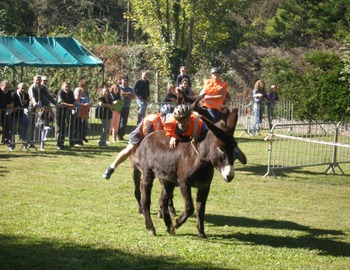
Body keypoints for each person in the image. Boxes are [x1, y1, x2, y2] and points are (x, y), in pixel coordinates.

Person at [103, 104, 171, 179]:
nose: (166, 119)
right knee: (130, 149)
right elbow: (148, 138)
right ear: (160, 115)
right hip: (141, 133)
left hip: (154, 137)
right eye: (164, 116)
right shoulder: (151, 120)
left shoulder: (170, 123)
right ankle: (112, 167)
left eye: (168, 117)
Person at [28, 75, 56, 149]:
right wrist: (35, 104)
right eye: (37, 80)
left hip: (42, 108)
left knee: (41, 124)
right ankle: (30, 141)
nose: (38, 81)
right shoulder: (32, 87)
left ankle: (39, 141)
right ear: (33, 80)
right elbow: (32, 97)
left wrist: (56, 103)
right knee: (31, 124)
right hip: (33, 107)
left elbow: (48, 96)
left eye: (39, 80)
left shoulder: (43, 88)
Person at [55, 82, 76, 149]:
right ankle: (58, 144)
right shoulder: (60, 93)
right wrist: (70, 105)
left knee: (63, 128)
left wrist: (74, 104)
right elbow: (61, 102)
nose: (67, 88)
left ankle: (62, 143)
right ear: (62, 86)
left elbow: (73, 101)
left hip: (66, 112)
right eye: (66, 86)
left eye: (68, 86)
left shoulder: (70, 93)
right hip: (59, 112)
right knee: (59, 128)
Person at [117, 75, 135, 141]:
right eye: (124, 81)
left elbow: (133, 97)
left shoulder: (130, 88)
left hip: (126, 106)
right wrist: (128, 94)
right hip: (119, 106)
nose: (125, 82)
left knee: (124, 121)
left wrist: (126, 94)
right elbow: (121, 94)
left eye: (127, 81)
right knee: (118, 121)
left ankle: (121, 135)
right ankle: (117, 133)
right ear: (122, 80)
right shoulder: (119, 87)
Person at [0, 80, 14, 150]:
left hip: (3, 112)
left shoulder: (9, 93)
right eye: (5, 87)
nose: (7, 89)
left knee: (7, 124)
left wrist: (5, 105)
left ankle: (5, 139)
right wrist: (6, 105)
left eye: (8, 87)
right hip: (2, 110)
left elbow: (11, 104)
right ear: (1, 86)